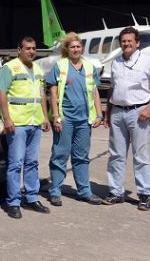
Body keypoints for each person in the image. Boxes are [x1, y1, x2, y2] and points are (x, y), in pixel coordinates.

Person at [103, 27, 150, 211]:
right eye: (123, 41)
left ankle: (144, 194)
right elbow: (112, 89)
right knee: (116, 155)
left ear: (137, 42)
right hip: (117, 112)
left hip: (138, 113)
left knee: (140, 156)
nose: (126, 44)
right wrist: (108, 112)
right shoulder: (115, 62)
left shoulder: (149, 61)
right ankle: (116, 192)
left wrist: (149, 109)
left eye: (130, 41)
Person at [46, 32, 105, 206]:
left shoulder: (89, 67)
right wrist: (55, 116)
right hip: (65, 119)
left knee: (82, 157)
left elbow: (95, 91)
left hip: (84, 120)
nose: (76, 49)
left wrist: (100, 114)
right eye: (72, 47)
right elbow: (53, 91)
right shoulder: (60, 66)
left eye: (78, 46)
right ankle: (55, 191)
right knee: (60, 154)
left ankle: (84, 192)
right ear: (67, 49)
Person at [0, 36, 51, 219]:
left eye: (34, 48)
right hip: (17, 124)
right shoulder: (9, 67)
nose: (31, 51)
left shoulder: (37, 69)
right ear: (19, 49)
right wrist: (7, 119)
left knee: (32, 163)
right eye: (27, 48)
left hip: (35, 122)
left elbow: (41, 95)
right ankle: (13, 202)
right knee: (16, 163)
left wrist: (45, 116)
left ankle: (32, 198)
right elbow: (1, 92)